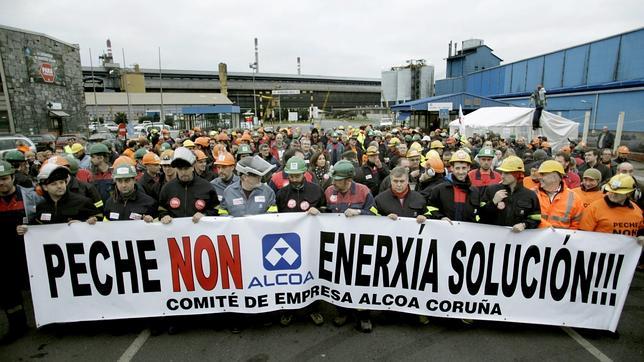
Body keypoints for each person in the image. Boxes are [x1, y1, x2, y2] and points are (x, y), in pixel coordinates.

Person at [308, 159, 375, 332]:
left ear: (348, 179)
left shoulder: (363, 191)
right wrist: (319, 211)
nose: (334, 182)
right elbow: (325, 210)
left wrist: (360, 212)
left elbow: (375, 216)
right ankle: (343, 312)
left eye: (337, 179)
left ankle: (364, 316)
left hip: (359, 245)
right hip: (337, 245)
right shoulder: (329, 190)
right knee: (338, 280)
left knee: (360, 281)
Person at [275, 156, 325, 326]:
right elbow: (274, 218)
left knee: (311, 275)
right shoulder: (281, 193)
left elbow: (327, 212)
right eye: (291, 176)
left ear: (304, 173)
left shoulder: (316, 190)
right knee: (288, 277)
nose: (294, 179)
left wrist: (319, 211)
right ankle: (288, 309)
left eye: (297, 175)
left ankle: (314, 308)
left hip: (311, 242)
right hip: (288, 243)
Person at [0, 161, 33, 342]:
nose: (1, 183)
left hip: (29, 252)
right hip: (5, 255)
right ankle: (17, 326)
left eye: (4, 179)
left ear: (13, 178)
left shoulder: (30, 197)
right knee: (8, 292)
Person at [158, 147, 220, 224]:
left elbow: (216, 209)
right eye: (180, 169)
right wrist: (164, 216)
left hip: (199, 231)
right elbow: (161, 209)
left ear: (193, 167)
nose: (183, 172)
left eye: (186, 168)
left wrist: (205, 215)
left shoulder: (207, 187)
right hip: (175, 233)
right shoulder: (167, 188)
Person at [479, 156, 541, 231]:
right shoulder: (491, 190)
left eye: (506, 173)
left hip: (517, 240)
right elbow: (480, 216)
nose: (502, 176)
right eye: (502, 172)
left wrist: (524, 225)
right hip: (493, 238)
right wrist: (493, 202)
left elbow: (536, 219)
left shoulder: (530, 195)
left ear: (517, 174)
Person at [33, 162, 102, 225]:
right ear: (45, 187)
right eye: (54, 184)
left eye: (62, 182)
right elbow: (35, 226)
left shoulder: (83, 202)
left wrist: (83, 224)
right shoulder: (41, 207)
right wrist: (26, 229)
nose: (59, 186)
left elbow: (99, 219)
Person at [580, 174, 643, 238]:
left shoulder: (637, 210)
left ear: (629, 193)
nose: (613, 195)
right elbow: (582, 235)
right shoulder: (593, 208)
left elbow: (641, 231)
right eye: (610, 191)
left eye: (618, 193)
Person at [428, 150, 481, 223]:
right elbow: (429, 208)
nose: (461, 172)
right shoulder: (439, 189)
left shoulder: (475, 191)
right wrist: (440, 217)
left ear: (468, 168)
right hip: (446, 231)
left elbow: (478, 214)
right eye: (457, 168)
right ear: (452, 168)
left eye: (464, 168)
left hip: (468, 233)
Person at [534, 160, 584, 229]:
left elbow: (576, 224)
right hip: (534, 239)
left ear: (554, 177)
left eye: (543, 174)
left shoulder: (574, 198)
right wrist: (546, 226)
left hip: (562, 239)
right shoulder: (531, 193)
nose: (539, 177)